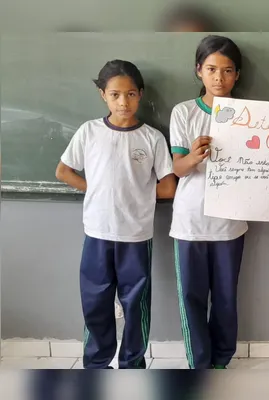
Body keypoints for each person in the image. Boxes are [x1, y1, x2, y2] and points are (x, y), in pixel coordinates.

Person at [55, 60, 176, 369]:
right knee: (95, 302)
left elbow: (168, 187)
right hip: (97, 232)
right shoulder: (90, 132)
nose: (124, 102)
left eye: (131, 94)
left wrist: (135, 194)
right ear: (103, 95)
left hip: (136, 236)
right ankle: (96, 365)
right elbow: (63, 171)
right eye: (115, 94)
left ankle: (132, 364)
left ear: (141, 95)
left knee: (135, 304)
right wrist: (94, 189)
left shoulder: (152, 138)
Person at [170, 35, 248, 369]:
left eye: (227, 70)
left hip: (230, 222)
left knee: (226, 298)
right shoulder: (184, 112)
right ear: (199, 70)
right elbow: (177, 169)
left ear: (237, 75)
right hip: (190, 222)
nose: (219, 78)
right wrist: (194, 156)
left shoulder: (249, 114)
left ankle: (221, 363)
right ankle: (198, 365)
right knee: (192, 298)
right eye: (212, 69)